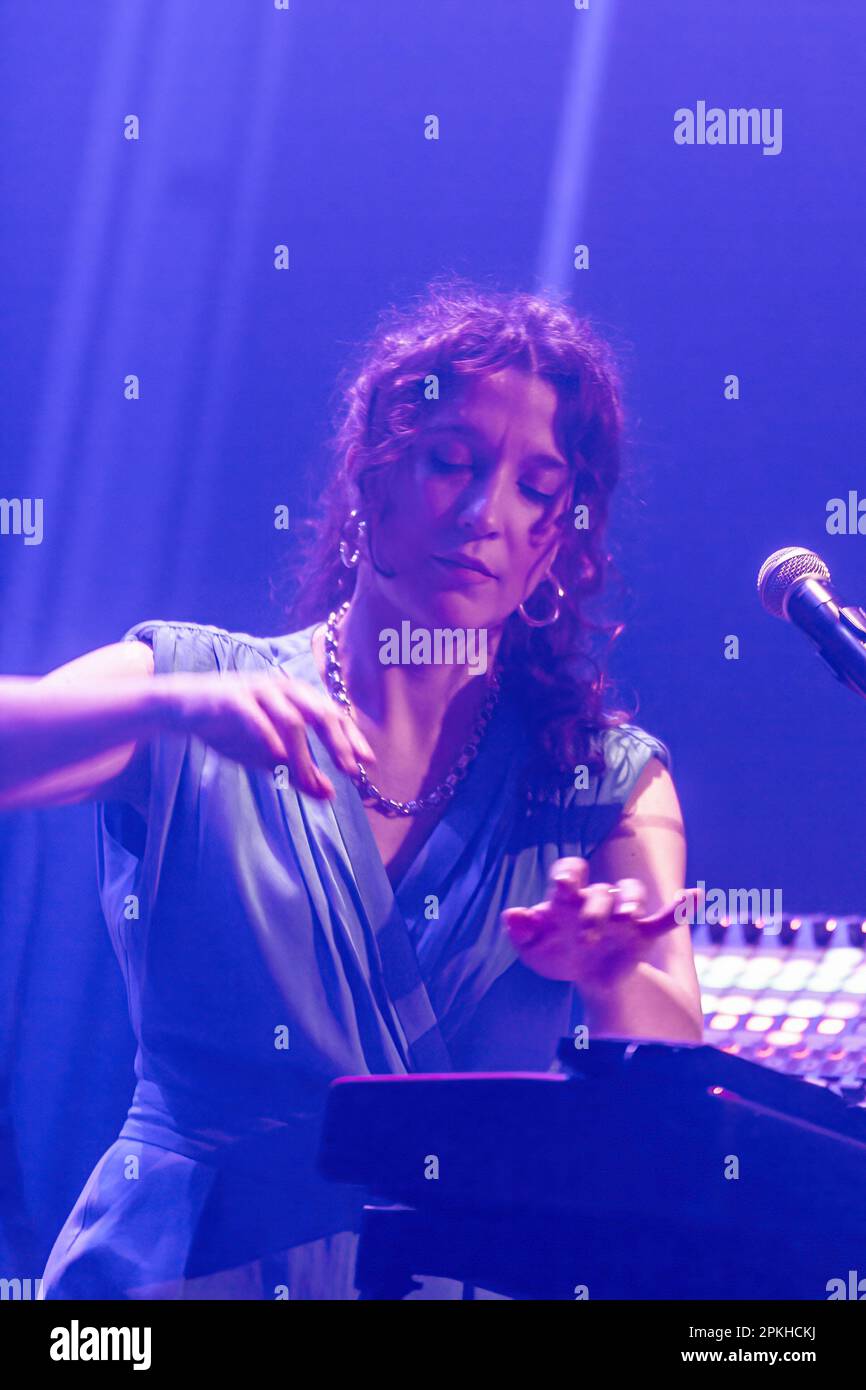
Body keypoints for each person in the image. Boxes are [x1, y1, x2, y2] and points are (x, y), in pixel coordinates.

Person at [0, 281, 702, 1299]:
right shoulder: (202, 680)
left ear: (554, 539)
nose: (482, 512)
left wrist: (607, 976)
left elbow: (671, 1074)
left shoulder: (603, 776)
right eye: (451, 462)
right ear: (370, 478)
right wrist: (166, 708)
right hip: (175, 1281)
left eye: (533, 487)